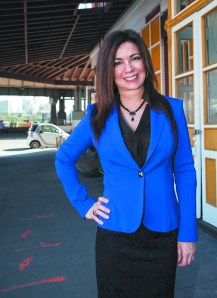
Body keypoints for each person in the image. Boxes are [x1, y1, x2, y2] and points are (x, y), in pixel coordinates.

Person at [55, 29, 197, 298]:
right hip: (115, 235)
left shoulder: (171, 110)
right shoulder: (97, 116)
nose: (128, 68)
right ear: (109, 71)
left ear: (145, 61)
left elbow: (185, 171)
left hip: (163, 233)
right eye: (118, 63)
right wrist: (83, 204)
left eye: (135, 58)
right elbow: (63, 158)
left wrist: (188, 233)